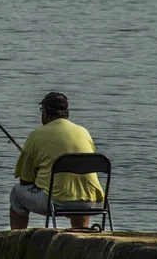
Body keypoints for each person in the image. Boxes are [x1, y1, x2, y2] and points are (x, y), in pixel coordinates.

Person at [9, 92, 104, 229]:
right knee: (79, 190)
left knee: (16, 194)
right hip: (92, 202)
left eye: (42, 111)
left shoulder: (36, 135)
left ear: (46, 113)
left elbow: (25, 180)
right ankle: (81, 234)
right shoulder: (84, 132)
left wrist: (39, 175)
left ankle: (15, 240)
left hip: (57, 202)